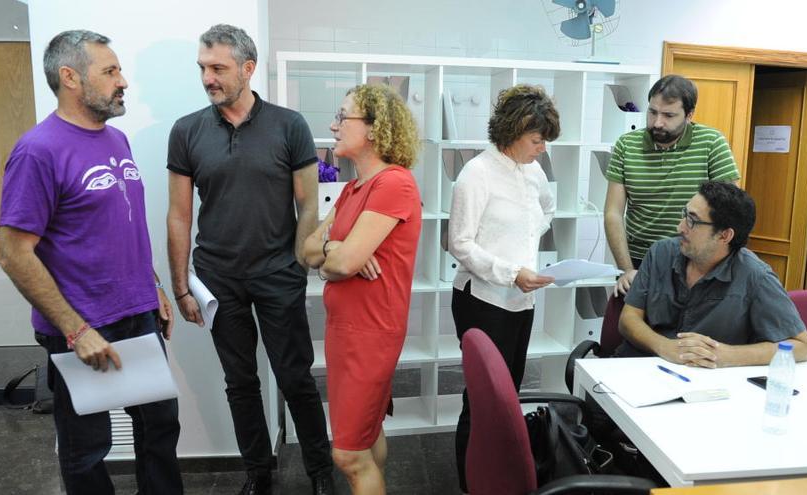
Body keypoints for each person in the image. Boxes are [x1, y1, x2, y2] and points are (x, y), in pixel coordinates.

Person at [0, 30, 182, 494]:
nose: (123, 81)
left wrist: (153, 284)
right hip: (81, 324)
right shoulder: (38, 150)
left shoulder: (116, 139)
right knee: (87, 450)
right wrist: (75, 330)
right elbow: (13, 251)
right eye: (110, 71)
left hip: (137, 313)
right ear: (70, 78)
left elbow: (121, 226)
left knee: (159, 430)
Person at [166, 24, 333, 495]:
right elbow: (179, 216)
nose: (207, 78)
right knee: (239, 383)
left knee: (294, 377)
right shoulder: (187, 131)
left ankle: (320, 471)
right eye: (203, 67)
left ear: (247, 68)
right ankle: (259, 474)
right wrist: (181, 285)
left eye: (217, 67)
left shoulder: (289, 125)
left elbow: (308, 206)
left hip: (279, 275)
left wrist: (301, 262)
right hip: (218, 279)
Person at [302, 84, 421, 495]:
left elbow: (342, 264)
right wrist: (336, 249)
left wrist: (337, 257)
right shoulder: (353, 189)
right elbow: (309, 250)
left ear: (374, 129)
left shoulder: (394, 184)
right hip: (346, 331)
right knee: (366, 435)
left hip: (370, 334)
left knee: (348, 454)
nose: (333, 126)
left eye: (342, 117)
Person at [448, 84, 559, 492]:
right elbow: (459, 242)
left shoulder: (532, 171)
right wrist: (511, 269)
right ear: (513, 132)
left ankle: (500, 475)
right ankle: (469, 482)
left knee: (508, 395)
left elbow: (547, 209)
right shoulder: (476, 174)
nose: (542, 148)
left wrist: (528, 244)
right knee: (481, 398)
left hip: (520, 299)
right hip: (482, 300)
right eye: (536, 139)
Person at [616, 181, 807, 366]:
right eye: (684, 214)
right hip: (637, 366)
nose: (680, 227)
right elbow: (628, 319)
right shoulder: (661, 253)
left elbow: (803, 347)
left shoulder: (756, 277)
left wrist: (727, 355)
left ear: (724, 235)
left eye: (692, 221)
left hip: (702, 382)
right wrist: (664, 346)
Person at [604, 75, 741, 296]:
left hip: (694, 260)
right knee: (632, 325)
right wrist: (626, 269)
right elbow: (613, 212)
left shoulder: (711, 142)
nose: (657, 122)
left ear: (689, 115)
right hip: (639, 260)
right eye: (652, 112)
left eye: (668, 115)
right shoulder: (626, 145)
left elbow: (729, 208)